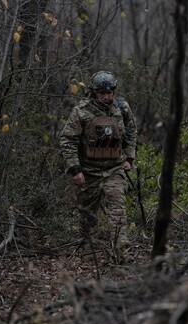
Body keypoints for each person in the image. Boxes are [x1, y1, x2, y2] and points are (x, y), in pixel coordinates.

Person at [59, 70, 137, 261]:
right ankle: (88, 251)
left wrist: (129, 159)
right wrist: (75, 169)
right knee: (87, 214)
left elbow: (131, 133)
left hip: (114, 168)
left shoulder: (122, 108)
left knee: (117, 209)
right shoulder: (81, 111)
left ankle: (122, 252)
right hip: (89, 171)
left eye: (109, 93)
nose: (106, 96)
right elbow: (68, 140)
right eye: (102, 93)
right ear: (94, 92)